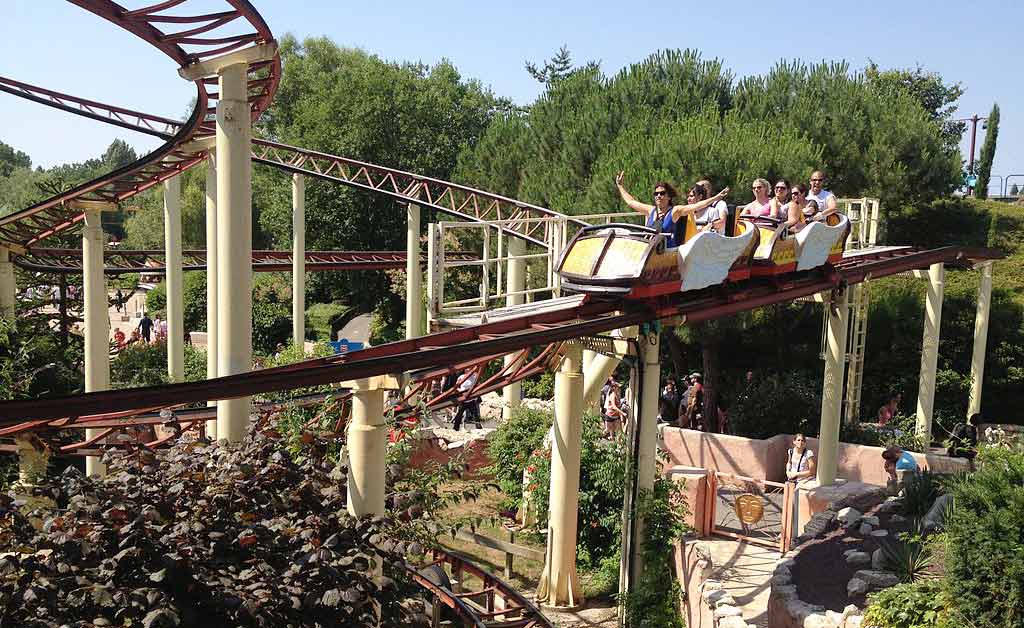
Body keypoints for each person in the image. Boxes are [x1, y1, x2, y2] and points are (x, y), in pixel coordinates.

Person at [615, 172, 730, 247]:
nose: (658, 196)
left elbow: (696, 206)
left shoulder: (675, 211)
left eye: (662, 193)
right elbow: (631, 202)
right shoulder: (651, 211)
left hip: (667, 253)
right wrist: (620, 186)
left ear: (669, 196)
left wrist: (716, 197)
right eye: (656, 194)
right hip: (650, 250)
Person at [785, 433, 816, 540]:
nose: (800, 442)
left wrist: (796, 474)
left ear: (805, 442)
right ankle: (785, 530)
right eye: (798, 440)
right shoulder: (791, 451)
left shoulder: (808, 453)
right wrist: (787, 471)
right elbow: (789, 463)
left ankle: (795, 532)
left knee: (795, 506)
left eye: (802, 440)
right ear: (794, 441)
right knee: (787, 505)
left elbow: (812, 471)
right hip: (792, 480)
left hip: (803, 480)